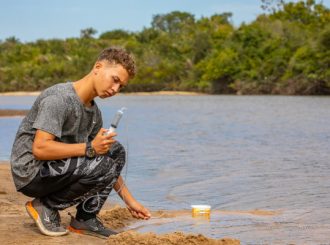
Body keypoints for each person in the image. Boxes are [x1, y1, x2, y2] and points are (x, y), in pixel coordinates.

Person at [10, 47, 151, 238]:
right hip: (31, 172)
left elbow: (105, 162)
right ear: (98, 67)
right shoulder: (59, 99)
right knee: (102, 158)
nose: (115, 89)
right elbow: (40, 149)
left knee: (115, 151)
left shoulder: (95, 113)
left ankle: (85, 218)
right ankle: (45, 206)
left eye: (121, 86)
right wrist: (90, 148)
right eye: (115, 80)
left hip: (57, 170)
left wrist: (130, 201)